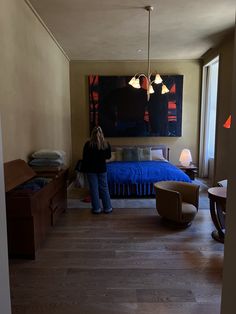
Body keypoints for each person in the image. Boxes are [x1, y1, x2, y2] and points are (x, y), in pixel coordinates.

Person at [81, 126, 112, 214]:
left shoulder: (88, 144)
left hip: (91, 170)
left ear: (92, 134)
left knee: (94, 189)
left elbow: (84, 158)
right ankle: (108, 208)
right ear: (102, 133)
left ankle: (96, 209)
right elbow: (108, 156)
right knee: (104, 188)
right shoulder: (106, 144)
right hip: (102, 169)